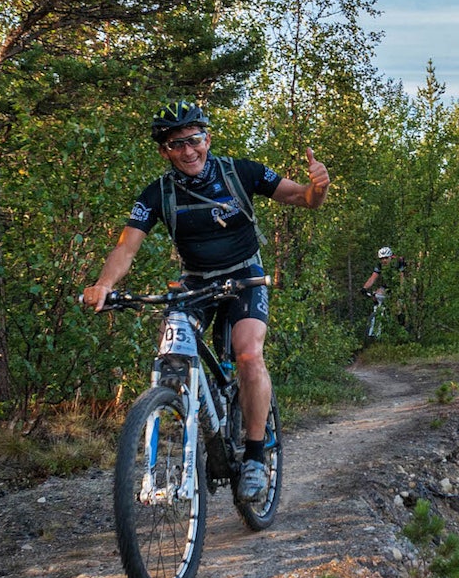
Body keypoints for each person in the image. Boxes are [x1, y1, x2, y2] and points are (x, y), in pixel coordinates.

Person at [83, 100, 330, 504]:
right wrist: (104, 284)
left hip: (245, 275)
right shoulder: (157, 194)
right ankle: (182, 433)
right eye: (176, 144)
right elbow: (127, 246)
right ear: (165, 151)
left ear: (207, 138)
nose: (188, 151)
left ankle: (252, 457)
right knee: (170, 360)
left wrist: (318, 187)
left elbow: (302, 198)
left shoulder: (240, 172)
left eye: (194, 140)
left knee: (248, 355)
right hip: (195, 282)